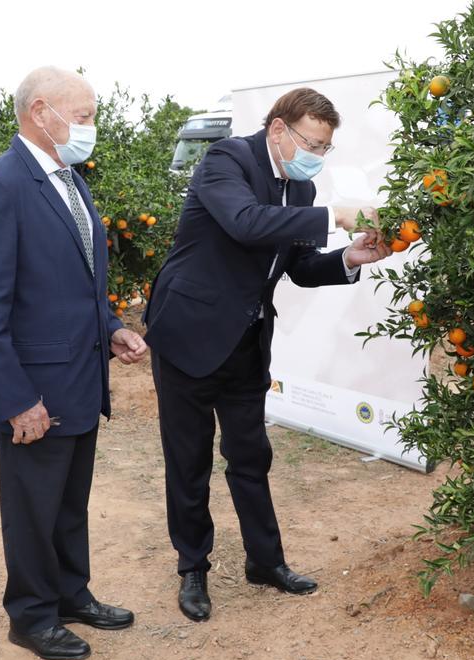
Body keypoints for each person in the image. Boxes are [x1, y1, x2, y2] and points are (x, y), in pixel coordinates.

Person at [143, 87, 390, 622]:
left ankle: (265, 561)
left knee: (251, 456)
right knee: (189, 461)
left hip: (247, 342)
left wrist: (348, 256)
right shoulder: (226, 159)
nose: (317, 157)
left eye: (325, 149)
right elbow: (246, 222)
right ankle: (193, 568)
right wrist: (337, 215)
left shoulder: (299, 191)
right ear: (278, 130)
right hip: (188, 335)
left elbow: (298, 267)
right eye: (312, 143)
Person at [0, 66, 148, 660]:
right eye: (83, 116)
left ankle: (70, 594)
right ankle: (31, 616)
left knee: (68, 501)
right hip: (34, 388)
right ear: (42, 113)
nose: (90, 128)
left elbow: (78, 282)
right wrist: (14, 398)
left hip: (80, 378)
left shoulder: (70, 180)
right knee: (33, 508)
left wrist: (112, 327)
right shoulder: (0, 185)